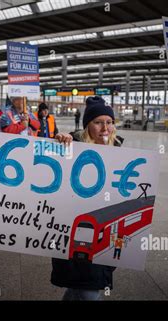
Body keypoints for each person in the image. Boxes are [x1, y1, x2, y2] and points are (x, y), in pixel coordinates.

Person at [51, 96, 123, 301]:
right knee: (89, 291)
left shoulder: (118, 150)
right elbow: (49, 161)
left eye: (109, 122)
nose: (105, 128)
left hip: (104, 229)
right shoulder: (73, 147)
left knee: (79, 288)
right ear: (87, 126)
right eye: (98, 122)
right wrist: (61, 141)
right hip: (77, 231)